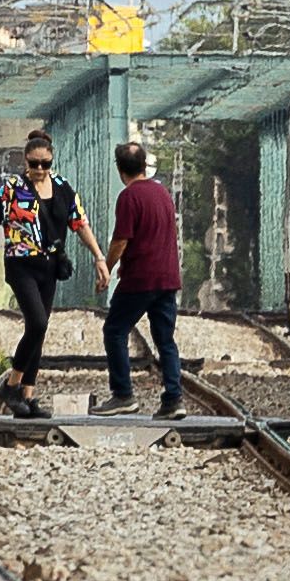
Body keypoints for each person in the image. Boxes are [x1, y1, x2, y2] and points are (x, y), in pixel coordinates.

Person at [0, 132, 92, 416]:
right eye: (34, 163)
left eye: (45, 163)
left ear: (52, 160)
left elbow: (80, 223)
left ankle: (27, 397)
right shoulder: (12, 189)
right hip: (20, 265)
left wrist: (99, 258)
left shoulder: (63, 188)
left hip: (50, 268)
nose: (39, 169)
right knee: (37, 323)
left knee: (38, 331)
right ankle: (12, 385)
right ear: (25, 161)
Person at [95, 141, 186, 419]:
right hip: (168, 278)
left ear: (119, 169)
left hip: (139, 278)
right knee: (165, 340)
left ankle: (123, 395)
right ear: (144, 165)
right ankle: (174, 400)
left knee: (114, 330)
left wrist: (106, 268)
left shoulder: (129, 197)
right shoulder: (163, 193)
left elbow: (121, 240)